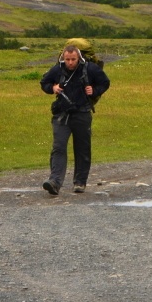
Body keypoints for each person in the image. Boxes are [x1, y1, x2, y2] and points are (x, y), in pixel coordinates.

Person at [39, 43, 110, 196]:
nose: (70, 63)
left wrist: (95, 90)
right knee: (58, 147)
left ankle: (80, 182)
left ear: (79, 58)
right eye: (67, 59)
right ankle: (54, 182)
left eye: (73, 59)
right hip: (62, 115)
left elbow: (105, 82)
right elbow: (44, 82)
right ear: (63, 58)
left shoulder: (90, 68)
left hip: (82, 114)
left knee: (82, 149)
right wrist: (53, 88)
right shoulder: (57, 69)